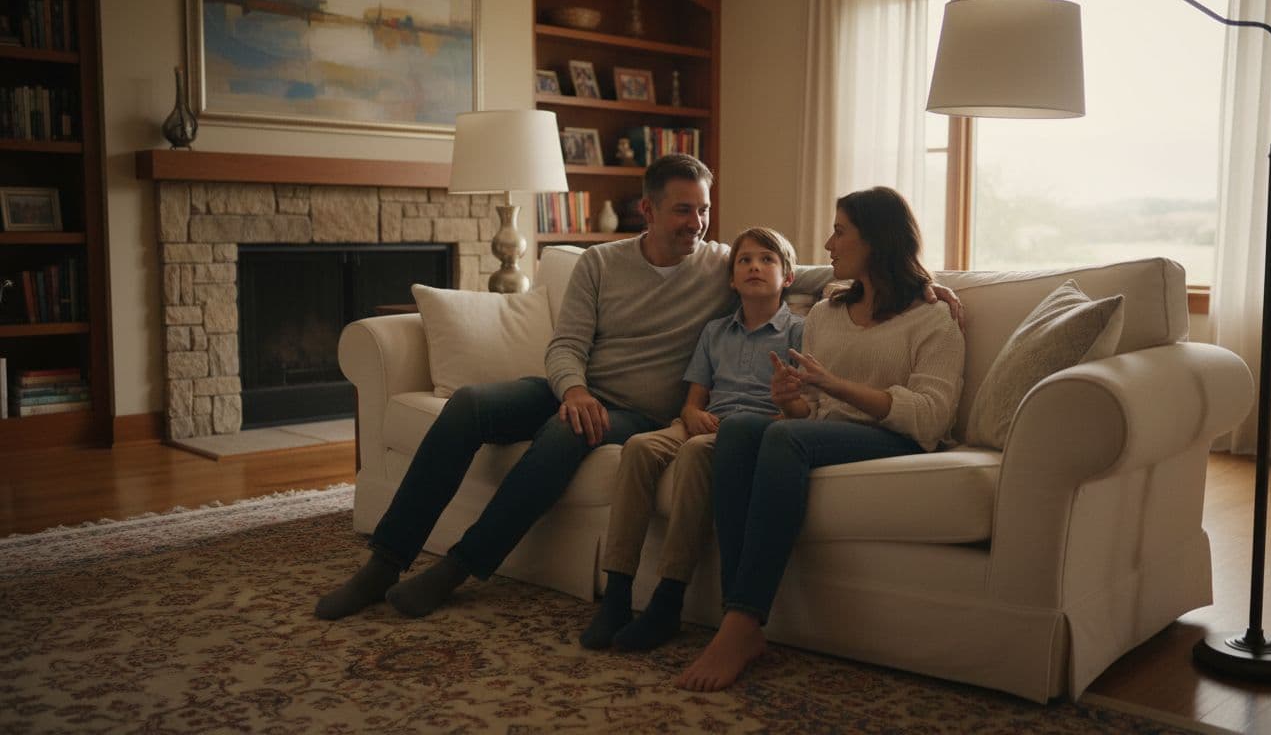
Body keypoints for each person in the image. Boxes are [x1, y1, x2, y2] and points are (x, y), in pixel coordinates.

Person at [314, 153, 838, 621]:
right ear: (648, 211)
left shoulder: (717, 263)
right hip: (579, 388)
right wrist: (573, 390)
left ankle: (458, 568)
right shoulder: (601, 263)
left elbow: (793, 268)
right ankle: (384, 564)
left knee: (563, 437)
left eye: (703, 210)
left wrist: (885, 279)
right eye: (683, 210)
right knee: (470, 404)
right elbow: (565, 345)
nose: (696, 223)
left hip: (640, 411)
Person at [675, 186, 965, 691]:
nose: (828, 244)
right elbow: (809, 412)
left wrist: (835, 385)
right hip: (828, 430)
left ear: (876, 240)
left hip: (895, 436)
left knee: (787, 441)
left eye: (839, 231)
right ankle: (734, 619)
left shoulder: (934, 320)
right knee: (743, 428)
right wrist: (789, 397)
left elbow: (930, 417)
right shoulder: (828, 312)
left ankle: (743, 621)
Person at [580, 227, 804, 651]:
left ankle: (668, 599)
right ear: (731, 280)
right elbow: (691, 402)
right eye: (745, 261)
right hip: (705, 420)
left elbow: (803, 408)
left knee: (698, 453)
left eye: (768, 260)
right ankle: (617, 593)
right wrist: (694, 414)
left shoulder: (798, 332)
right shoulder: (715, 331)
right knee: (639, 446)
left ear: (789, 277)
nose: (755, 266)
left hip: (752, 431)